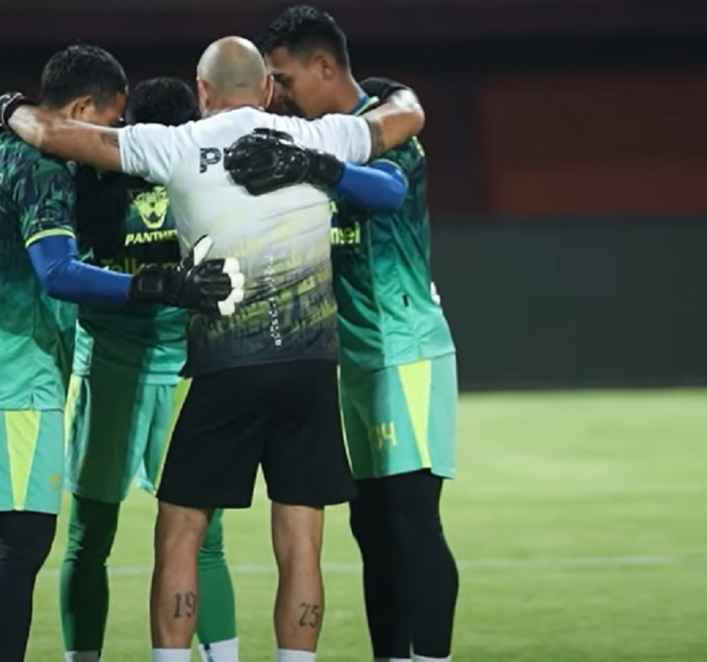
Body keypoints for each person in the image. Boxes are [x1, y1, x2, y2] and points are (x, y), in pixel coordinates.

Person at [0, 34, 422, 662]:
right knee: (302, 540)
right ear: (269, 89)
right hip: (310, 367)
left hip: (227, 369)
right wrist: (371, 113)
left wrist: (8, 108)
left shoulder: (178, 143)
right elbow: (403, 120)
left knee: (181, 533)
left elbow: (58, 136)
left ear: (202, 92)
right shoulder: (321, 138)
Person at [0, 44, 242, 662]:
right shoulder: (55, 168)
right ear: (81, 109)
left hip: (3, 369)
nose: (110, 141)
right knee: (28, 544)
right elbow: (57, 271)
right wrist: (151, 284)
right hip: (38, 376)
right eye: (109, 124)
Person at [245, 7, 461, 662]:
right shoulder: (321, 134)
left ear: (323, 65)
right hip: (353, 362)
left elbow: (386, 192)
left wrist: (310, 164)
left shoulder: (382, 132)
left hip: (405, 353)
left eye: (284, 77)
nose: (278, 93)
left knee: (411, 518)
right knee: (370, 526)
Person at [59, 77, 240, 662]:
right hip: (189, 379)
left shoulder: (92, 176)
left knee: (88, 542)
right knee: (205, 544)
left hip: (108, 374)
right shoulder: (203, 175)